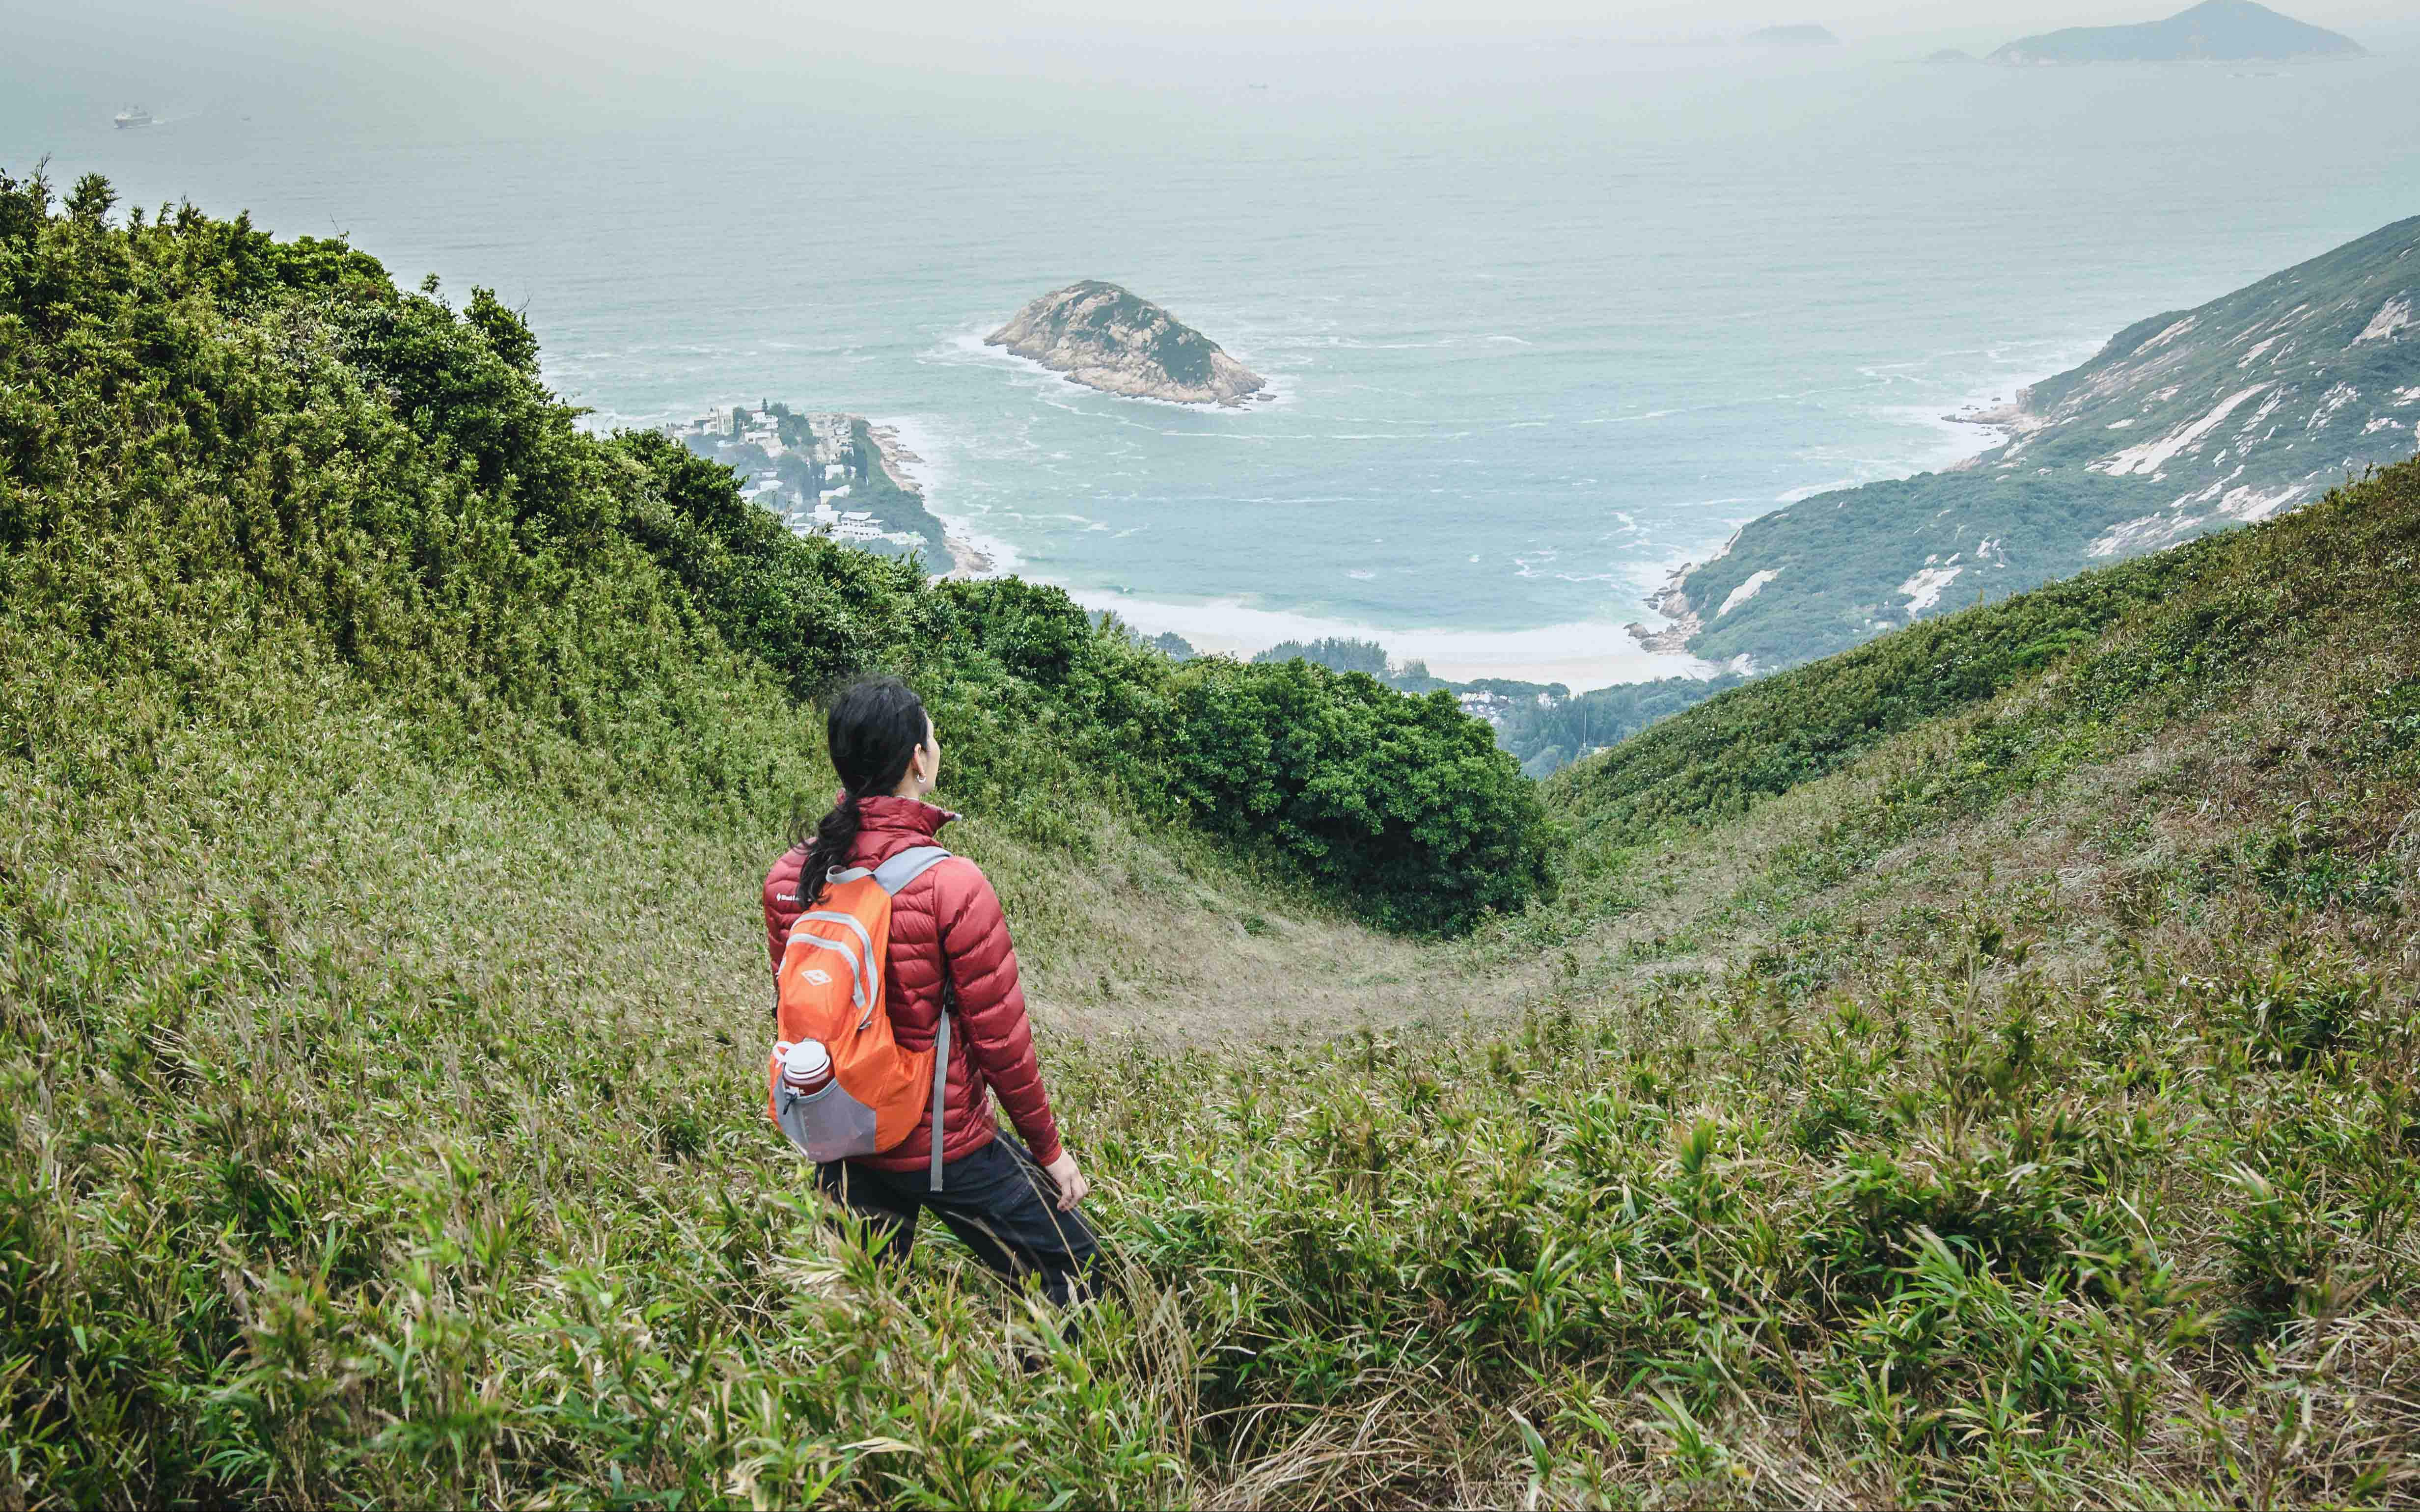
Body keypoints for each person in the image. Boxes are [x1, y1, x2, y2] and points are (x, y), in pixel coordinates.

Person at [763, 676, 1098, 1307]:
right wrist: (1049, 1152)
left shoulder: (791, 877)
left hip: (844, 1135)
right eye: (933, 734)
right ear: (918, 758)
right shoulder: (952, 884)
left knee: (857, 1307)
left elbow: (801, 1007)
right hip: (939, 1145)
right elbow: (1002, 1043)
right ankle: (1035, 1395)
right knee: (1074, 1266)